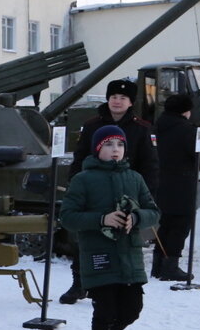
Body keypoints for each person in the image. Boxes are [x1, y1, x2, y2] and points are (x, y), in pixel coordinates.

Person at [58, 125, 160, 330]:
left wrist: (136, 218)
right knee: (104, 311)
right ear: (97, 149)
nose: (115, 150)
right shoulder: (83, 179)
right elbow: (67, 217)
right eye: (109, 145)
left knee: (132, 309)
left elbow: (153, 211)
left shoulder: (135, 178)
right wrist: (101, 218)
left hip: (130, 256)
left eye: (120, 145)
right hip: (98, 255)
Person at [60, 78, 159, 303]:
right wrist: (76, 185)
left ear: (130, 102)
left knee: (124, 241)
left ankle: (121, 283)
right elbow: (80, 156)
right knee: (87, 239)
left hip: (128, 193)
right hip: (95, 191)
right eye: (114, 97)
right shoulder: (92, 124)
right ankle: (80, 282)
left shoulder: (141, 129)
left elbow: (150, 165)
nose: (117, 101)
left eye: (123, 98)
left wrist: (145, 196)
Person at [153, 94, 200, 280]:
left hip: (159, 184)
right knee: (180, 226)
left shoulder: (157, 127)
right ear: (186, 111)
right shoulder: (189, 131)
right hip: (182, 185)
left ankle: (158, 266)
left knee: (164, 225)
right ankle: (170, 267)